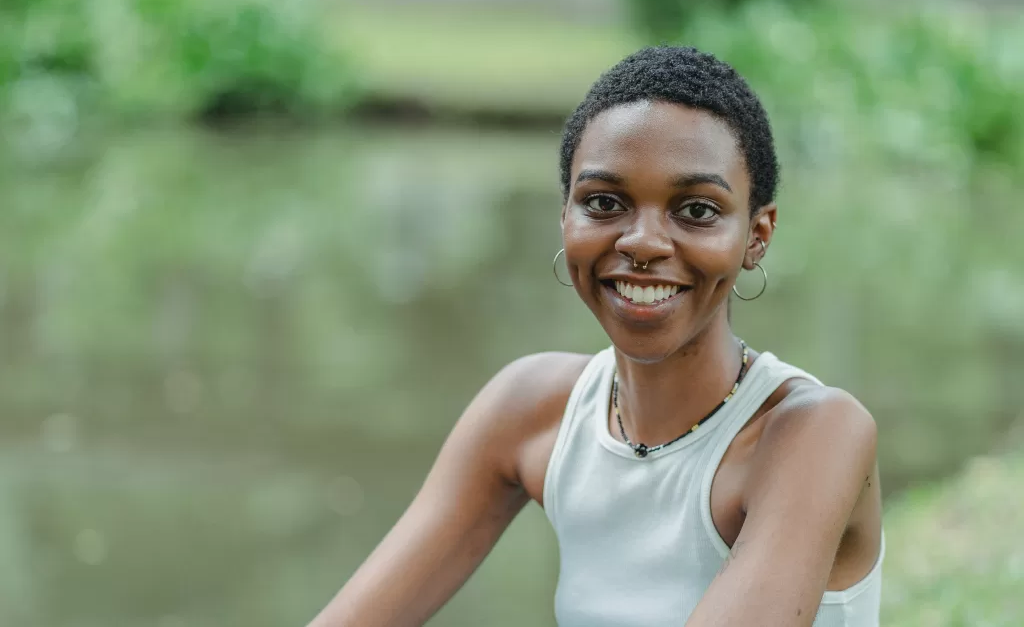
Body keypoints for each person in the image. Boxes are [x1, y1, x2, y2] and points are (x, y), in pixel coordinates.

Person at [308, 46, 884, 627]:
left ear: (756, 236)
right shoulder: (531, 408)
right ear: (566, 216)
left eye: (697, 210)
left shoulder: (816, 433)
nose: (643, 242)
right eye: (604, 203)